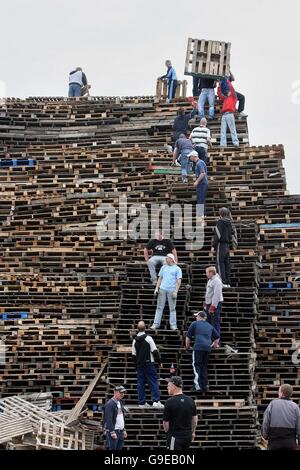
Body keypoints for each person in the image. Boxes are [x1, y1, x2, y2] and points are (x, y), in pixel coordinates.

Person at [185, 311, 220, 393]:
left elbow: (188, 337)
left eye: (196, 316)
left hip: (198, 348)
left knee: (196, 365)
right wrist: (213, 346)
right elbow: (217, 337)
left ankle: (197, 386)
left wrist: (187, 347)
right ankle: (205, 385)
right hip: (207, 349)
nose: (196, 318)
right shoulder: (209, 326)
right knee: (204, 366)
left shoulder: (194, 324)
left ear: (200, 317)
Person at [132, 321, 164, 408]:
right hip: (149, 364)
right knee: (153, 382)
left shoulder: (134, 341)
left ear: (137, 329)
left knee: (140, 384)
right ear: (145, 328)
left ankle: (141, 403)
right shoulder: (148, 338)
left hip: (139, 365)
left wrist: (136, 366)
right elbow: (155, 351)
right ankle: (156, 401)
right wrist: (159, 362)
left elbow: (133, 355)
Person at [163, 376, 198, 450]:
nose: (167, 388)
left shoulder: (169, 402)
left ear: (173, 386)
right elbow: (194, 419)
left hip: (175, 437)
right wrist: (193, 432)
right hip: (187, 436)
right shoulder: (191, 400)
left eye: (168, 386)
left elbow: (165, 423)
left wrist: (169, 434)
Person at [262, 384, 300, 450]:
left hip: (274, 442)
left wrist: (265, 435)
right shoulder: (295, 407)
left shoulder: (272, 404)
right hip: (290, 442)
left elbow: (266, 422)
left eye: (279, 391)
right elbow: (299, 425)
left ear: (282, 393)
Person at [151, 254, 182, 331]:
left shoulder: (177, 269)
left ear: (171, 259)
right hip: (163, 289)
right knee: (159, 307)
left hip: (171, 290)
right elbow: (160, 278)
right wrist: (157, 288)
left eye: (167, 258)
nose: (166, 259)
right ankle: (155, 324)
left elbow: (179, 281)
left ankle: (173, 325)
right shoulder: (163, 267)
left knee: (172, 309)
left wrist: (176, 291)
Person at [213, 207, 236, 287]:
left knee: (220, 263)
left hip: (221, 245)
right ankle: (227, 283)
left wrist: (213, 245)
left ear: (221, 214)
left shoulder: (220, 222)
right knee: (227, 264)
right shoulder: (229, 222)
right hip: (227, 246)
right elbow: (231, 234)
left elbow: (218, 235)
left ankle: (222, 282)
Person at [103, 385, 127, 450]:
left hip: (120, 431)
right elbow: (108, 419)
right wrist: (112, 432)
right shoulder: (110, 404)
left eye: (123, 393)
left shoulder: (120, 402)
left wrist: (124, 429)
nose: (122, 394)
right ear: (115, 392)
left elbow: (121, 417)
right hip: (114, 431)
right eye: (121, 393)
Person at [204, 267, 223, 345]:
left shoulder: (217, 281)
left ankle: (216, 342)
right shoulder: (210, 281)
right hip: (209, 304)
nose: (206, 274)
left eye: (207, 272)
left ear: (211, 272)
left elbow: (217, 295)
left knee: (215, 323)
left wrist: (213, 307)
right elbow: (208, 293)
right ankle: (211, 340)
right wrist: (205, 303)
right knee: (208, 323)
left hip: (215, 305)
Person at [217, 80, 239, 147]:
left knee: (232, 129)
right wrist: (219, 85)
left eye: (229, 91)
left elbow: (232, 89)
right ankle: (223, 144)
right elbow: (219, 94)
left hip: (230, 114)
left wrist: (227, 82)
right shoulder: (225, 98)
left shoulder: (234, 97)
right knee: (223, 131)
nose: (228, 92)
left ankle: (236, 143)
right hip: (224, 115)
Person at [189, 151, 208, 219]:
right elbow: (200, 173)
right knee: (201, 199)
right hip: (202, 183)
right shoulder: (199, 163)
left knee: (200, 199)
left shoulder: (199, 163)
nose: (190, 158)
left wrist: (196, 181)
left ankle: (200, 215)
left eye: (190, 157)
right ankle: (204, 214)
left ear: (194, 156)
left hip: (202, 184)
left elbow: (202, 173)